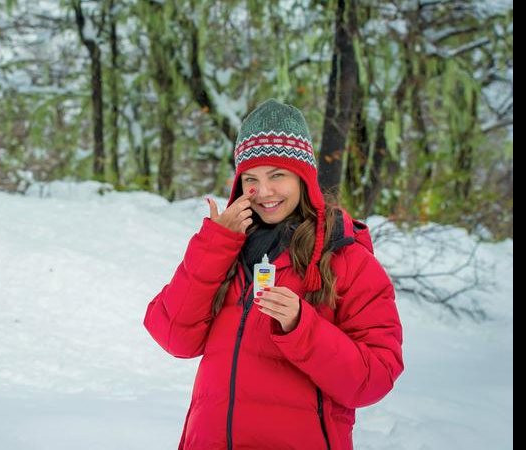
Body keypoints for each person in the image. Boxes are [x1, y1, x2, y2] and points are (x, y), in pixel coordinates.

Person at [143, 100, 404, 450]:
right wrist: (214, 244)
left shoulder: (347, 259)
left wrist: (303, 328)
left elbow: (375, 378)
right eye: (251, 178)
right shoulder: (225, 249)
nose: (264, 192)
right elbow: (174, 336)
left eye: (277, 175)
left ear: (303, 177)